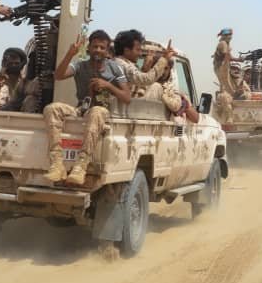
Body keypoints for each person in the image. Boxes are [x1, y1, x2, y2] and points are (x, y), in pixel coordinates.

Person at [43, 30, 131, 185]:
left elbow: (127, 97)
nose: (98, 50)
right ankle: (57, 164)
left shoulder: (115, 68)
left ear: (107, 51)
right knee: (52, 108)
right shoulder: (80, 65)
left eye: (102, 48)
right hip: (82, 108)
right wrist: (70, 54)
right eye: (95, 46)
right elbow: (58, 76)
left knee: (97, 111)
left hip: (102, 112)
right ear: (89, 48)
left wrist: (108, 85)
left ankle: (81, 165)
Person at [113, 29, 176, 94]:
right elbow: (146, 80)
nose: (140, 54)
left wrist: (145, 68)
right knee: (156, 87)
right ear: (127, 50)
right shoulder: (120, 64)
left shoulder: (124, 64)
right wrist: (164, 58)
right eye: (137, 50)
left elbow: (137, 87)